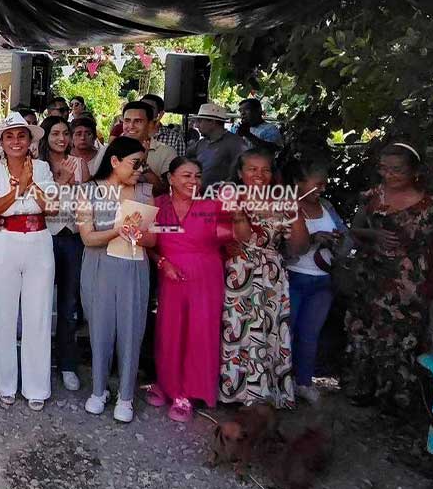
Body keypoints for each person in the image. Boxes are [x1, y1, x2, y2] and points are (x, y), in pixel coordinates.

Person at [344, 143, 433, 409]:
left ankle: (394, 398)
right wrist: (374, 235)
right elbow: (355, 230)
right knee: (366, 332)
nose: (389, 174)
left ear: (414, 171)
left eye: (397, 170)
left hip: (411, 282)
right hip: (371, 278)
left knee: (402, 337)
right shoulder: (372, 197)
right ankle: (364, 387)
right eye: (384, 168)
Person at [219, 149, 308, 409]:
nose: (259, 175)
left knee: (269, 331)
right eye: (252, 169)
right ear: (239, 172)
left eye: (265, 170)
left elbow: (299, 248)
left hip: (271, 276)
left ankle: (267, 394)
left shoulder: (284, 203)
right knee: (237, 329)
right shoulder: (229, 197)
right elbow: (237, 237)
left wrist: (295, 215)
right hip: (238, 271)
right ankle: (235, 392)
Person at [79, 137, 156, 423]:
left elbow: (152, 238)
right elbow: (87, 237)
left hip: (134, 268)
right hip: (99, 267)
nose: (140, 170)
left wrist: (137, 233)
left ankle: (126, 395)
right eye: (135, 164)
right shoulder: (89, 191)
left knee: (132, 330)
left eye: (142, 164)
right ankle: (99, 390)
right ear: (114, 161)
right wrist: (117, 230)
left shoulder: (145, 192)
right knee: (99, 328)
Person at [0, 113, 56, 410]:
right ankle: (5, 383)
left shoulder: (42, 167)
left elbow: (50, 207)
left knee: (38, 316)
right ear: (1, 141)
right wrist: (18, 189)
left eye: (21, 136)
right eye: (9, 136)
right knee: (3, 314)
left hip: (38, 241)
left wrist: (29, 183)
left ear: (30, 140)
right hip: (2, 241)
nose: (15, 141)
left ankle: (37, 386)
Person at [147, 158, 228, 421]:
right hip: (170, 276)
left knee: (198, 334)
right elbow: (146, 242)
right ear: (170, 178)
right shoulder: (157, 205)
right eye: (186, 175)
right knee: (169, 332)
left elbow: (233, 242)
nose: (193, 181)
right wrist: (162, 262)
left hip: (205, 280)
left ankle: (187, 393)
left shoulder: (213, 207)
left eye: (197, 176)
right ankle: (166, 384)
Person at [285, 161, 350, 405]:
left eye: (325, 183)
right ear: (298, 184)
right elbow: (285, 247)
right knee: (286, 334)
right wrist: (312, 239)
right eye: (317, 184)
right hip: (294, 277)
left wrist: (338, 240)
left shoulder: (327, 207)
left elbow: (346, 243)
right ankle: (284, 381)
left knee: (310, 335)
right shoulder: (287, 208)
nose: (322, 188)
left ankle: (304, 382)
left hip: (322, 282)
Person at [38, 116, 86, 391]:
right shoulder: (38, 165)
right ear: (45, 136)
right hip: (44, 236)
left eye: (65, 133)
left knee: (69, 306)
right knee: (39, 304)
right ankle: (39, 361)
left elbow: (87, 198)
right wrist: (61, 183)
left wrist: (72, 184)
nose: (61, 138)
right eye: (55, 133)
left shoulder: (79, 163)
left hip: (72, 238)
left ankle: (67, 363)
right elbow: (38, 202)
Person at [119, 101, 176, 195]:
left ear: (150, 124)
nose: (131, 126)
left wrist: (143, 165)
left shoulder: (167, 152)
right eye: (127, 120)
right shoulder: (110, 149)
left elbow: (164, 191)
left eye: (138, 121)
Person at [186, 103, 247, 188]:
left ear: (212, 122)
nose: (196, 125)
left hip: (222, 198)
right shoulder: (201, 143)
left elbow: (244, 172)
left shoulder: (235, 143)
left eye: (200, 121)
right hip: (200, 197)